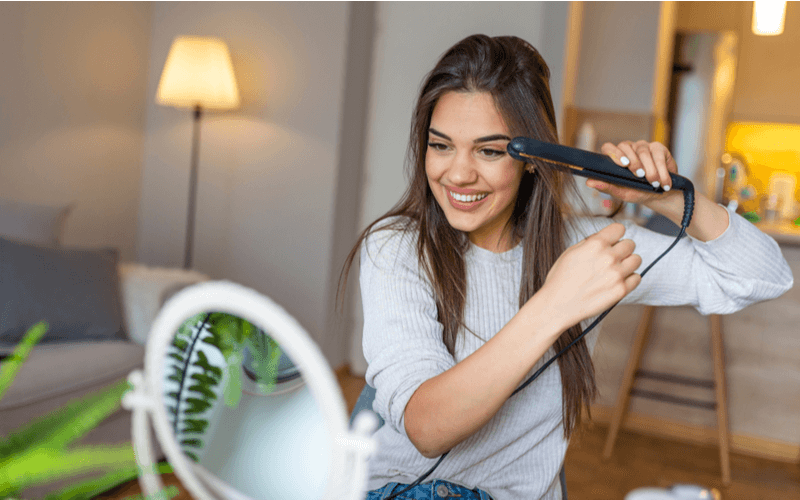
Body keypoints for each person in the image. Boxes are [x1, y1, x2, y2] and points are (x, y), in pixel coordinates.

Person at [339, 34, 793, 500]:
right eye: (441, 146)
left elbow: (762, 276)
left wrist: (671, 196)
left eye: (489, 151)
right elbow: (427, 427)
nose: (457, 174)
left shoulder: (589, 247)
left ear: (534, 160)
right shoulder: (397, 248)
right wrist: (555, 303)